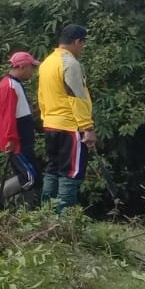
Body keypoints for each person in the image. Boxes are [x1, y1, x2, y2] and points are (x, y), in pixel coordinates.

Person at [37, 24, 96, 212]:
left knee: (52, 170)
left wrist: (46, 118)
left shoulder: (46, 63)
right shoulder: (70, 64)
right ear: (78, 42)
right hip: (70, 127)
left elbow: (41, 96)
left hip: (50, 125)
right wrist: (87, 127)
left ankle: (46, 214)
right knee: (70, 174)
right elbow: (76, 97)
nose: (82, 48)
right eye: (83, 44)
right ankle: (64, 220)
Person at [0, 51, 41, 211]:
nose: (32, 71)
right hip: (17, 140)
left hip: (23, 138)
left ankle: (25, 212)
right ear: (22, 66)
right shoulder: (9, 86)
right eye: (31, 67)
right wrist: (11, 139)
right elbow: (8, 116)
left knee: (30, 175)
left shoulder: (15, 83)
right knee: (30, 177)